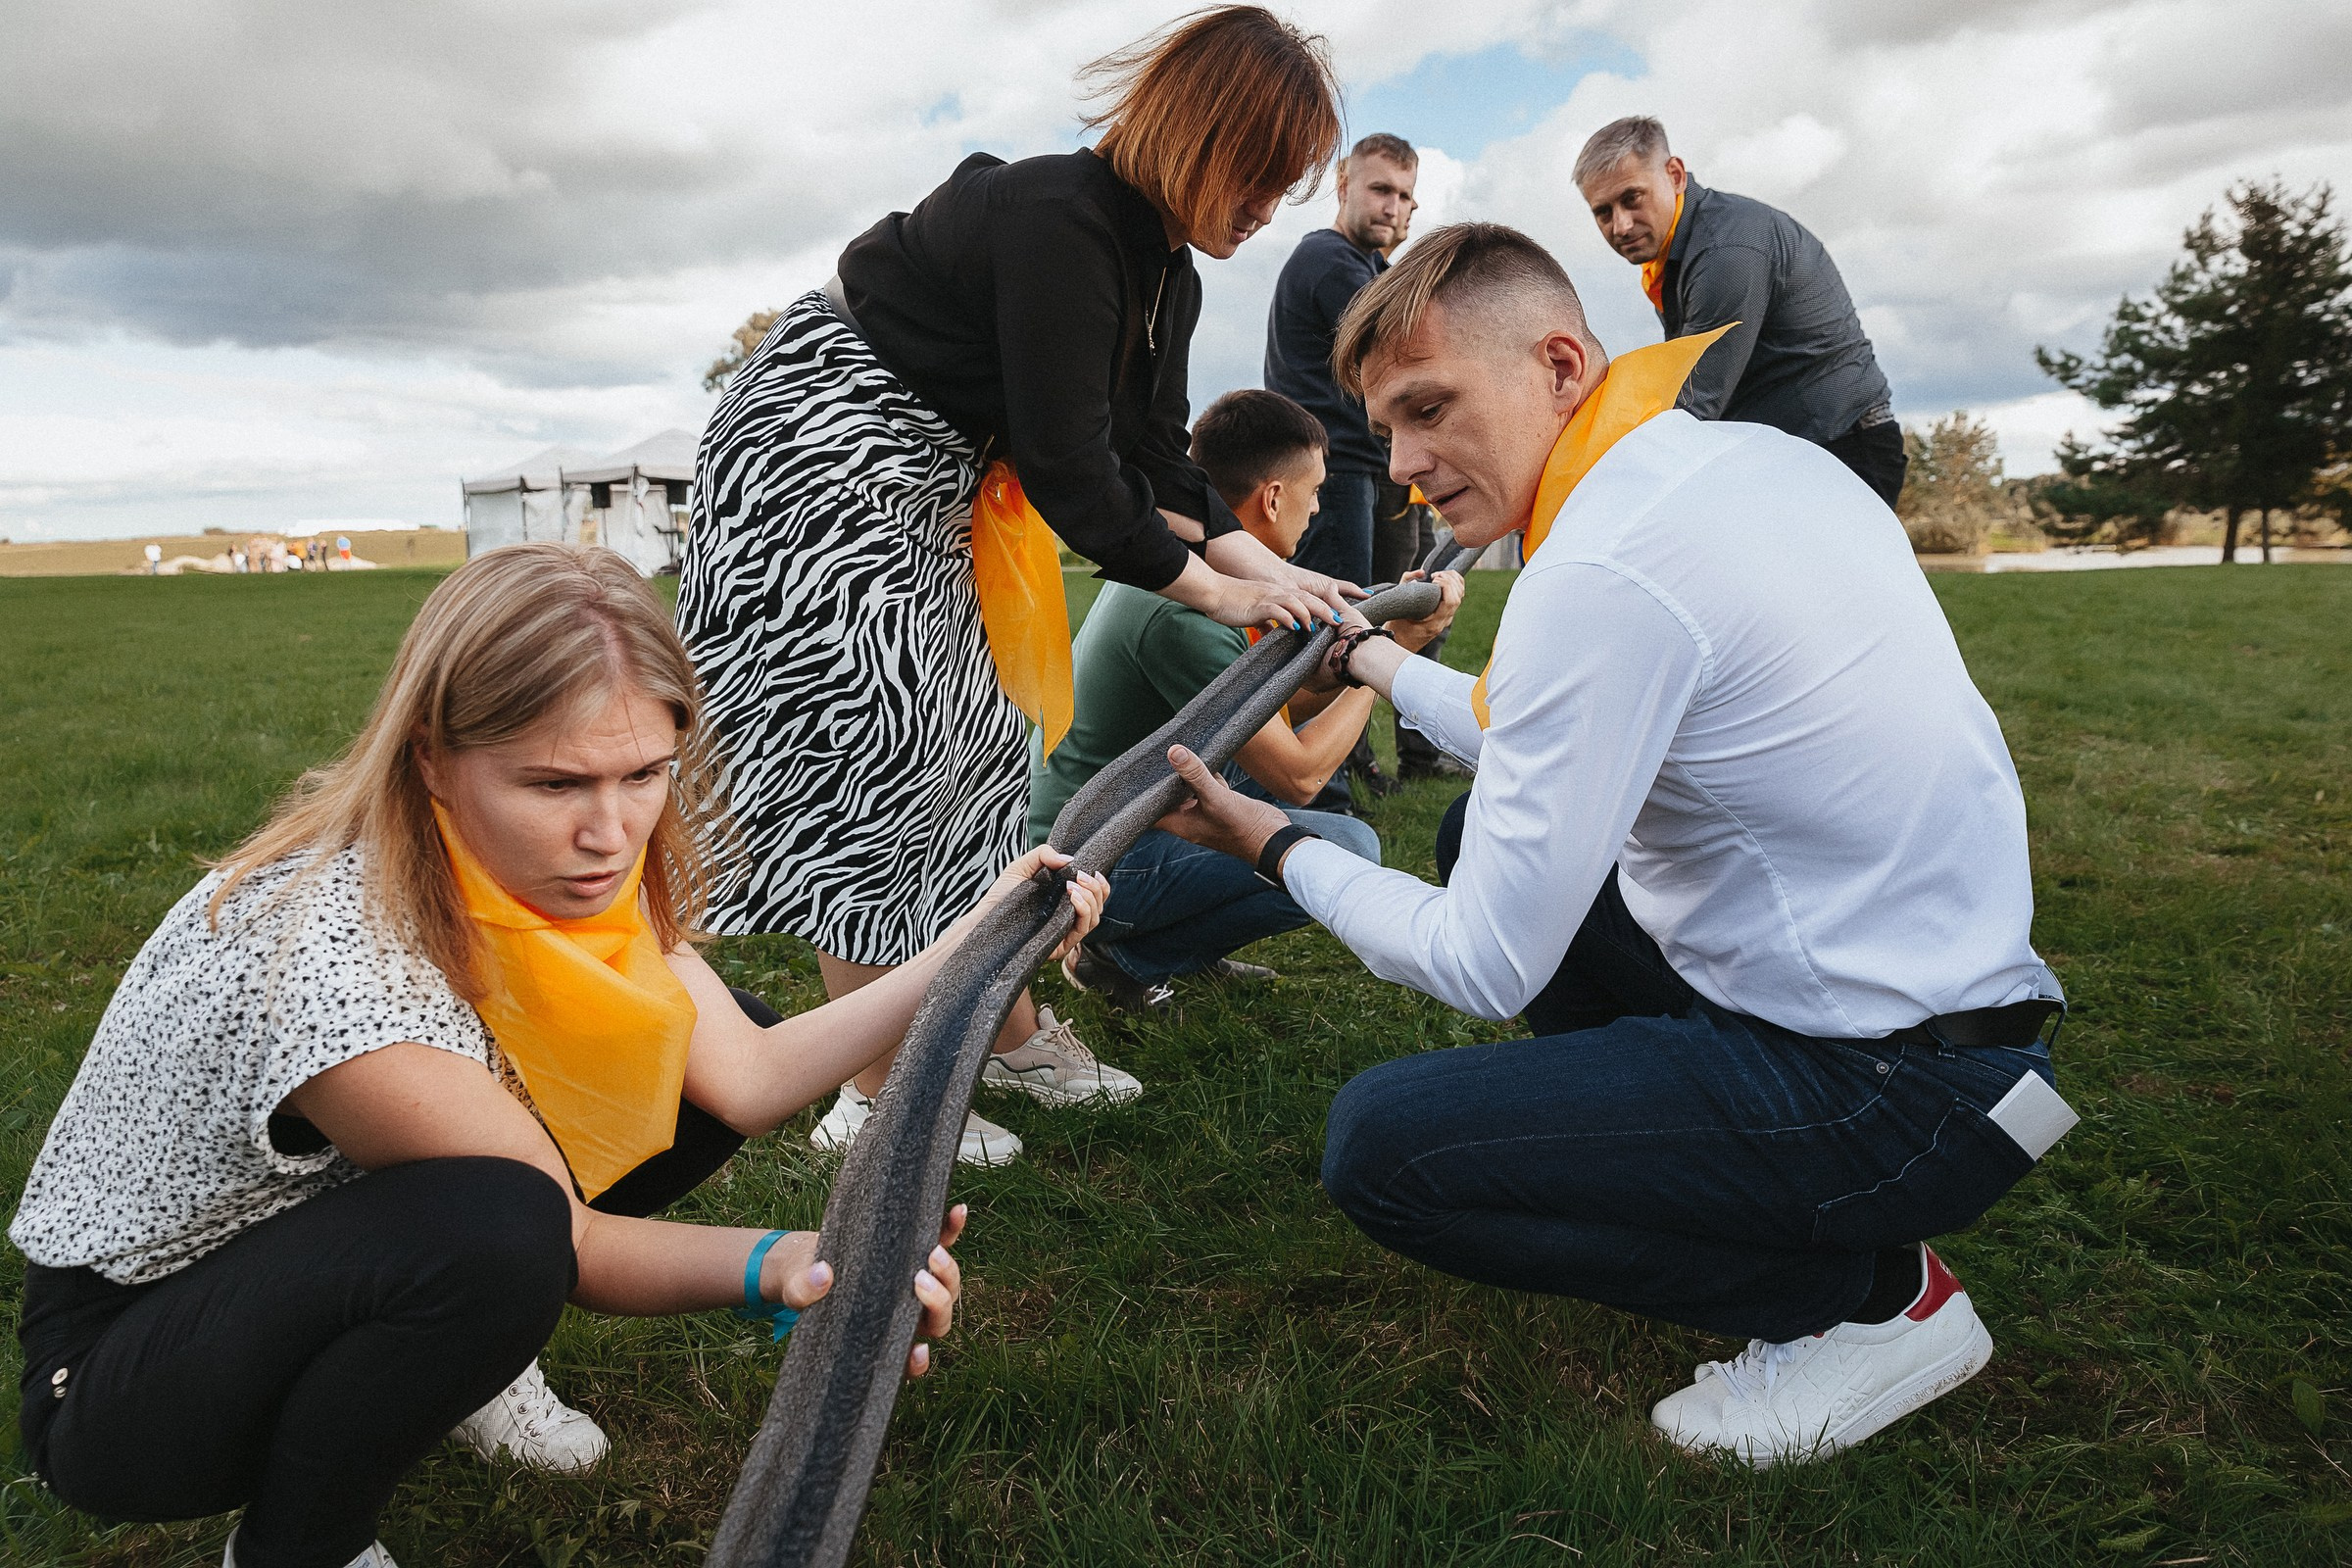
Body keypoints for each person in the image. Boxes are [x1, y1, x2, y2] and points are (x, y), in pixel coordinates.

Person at [1158, 224, 2076, 1466]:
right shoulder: (1740, 461)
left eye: (1433, 410)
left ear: (1559, 366)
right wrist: (1376, 657)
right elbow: (1543, 724)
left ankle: (1862, 1306)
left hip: (1896, 1091)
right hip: (1963, 1024)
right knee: (1474, 818)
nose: (1414, 467)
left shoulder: (1601, 567)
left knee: (1384, 1149)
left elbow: (1483, 963)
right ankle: (1750, 1184)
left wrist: (1273, 842)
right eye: (1390, 435)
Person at [11, 545, 1107, 1568]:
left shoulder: (553, 863)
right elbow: (562, 1241)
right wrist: (803, 1265)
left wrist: (976, 936)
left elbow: (751, 1078)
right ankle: (301, 1544)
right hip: (126, 1373)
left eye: (645, 773)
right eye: (555, 783)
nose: (613, 830)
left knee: (702, 1034)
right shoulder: (330, 964)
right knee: (500, 1238)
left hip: (332, 1231)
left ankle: (460, 1358)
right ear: (433, 758)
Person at [677, 6, 1348, 1167]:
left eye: (1284, 188)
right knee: (881, 749)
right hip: (820, 452)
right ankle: (872, 1093)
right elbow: (1071, 467)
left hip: (930, 474)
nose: (1264, 209)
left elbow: (1157, 464)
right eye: (1257, 176)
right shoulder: (1058, 219)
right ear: (1196, 133)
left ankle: (1002, 1028)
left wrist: (1276, 573)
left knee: (985, 741)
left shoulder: (1166, 278)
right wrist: (1219, 595)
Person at [1030, 391, 1457, 1009]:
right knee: (1346, 848)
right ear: (1273, 496)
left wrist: (1372, 647)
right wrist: (1393, 651)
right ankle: (1125, 955)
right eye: (1314, 490)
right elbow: (1301, 774)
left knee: (1263, 798)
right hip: (1085, 867)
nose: (1316, 508)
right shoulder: (1186, 615)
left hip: (1137, 818)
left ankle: (1176, 946)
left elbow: (1272, 716)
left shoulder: (1197, 574)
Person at [1574, 116, 1907, 508]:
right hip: (1793, 451)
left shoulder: (1726, 253)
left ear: (1675, 175)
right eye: (1603, 212)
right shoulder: (1679, 252)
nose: (1621, 225)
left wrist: (1589, 477)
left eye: (1632, 198)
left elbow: (1694, 403)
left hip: (1843, 449)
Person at [1264, 131, 1421, 806]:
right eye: (1381, 189)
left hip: (1378, 467)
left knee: (1401, 606)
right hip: (1339, 473)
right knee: (1342, 629)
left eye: (1406, 196)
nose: (1393, 206)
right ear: (1343, 187)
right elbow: (1399, 348)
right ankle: (1334, 775)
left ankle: (1405, 755)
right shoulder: (1331, 261)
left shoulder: (1369, 266)